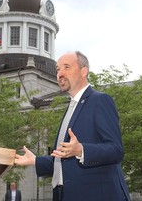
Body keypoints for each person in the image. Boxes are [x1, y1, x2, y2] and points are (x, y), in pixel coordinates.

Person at [15, 51, 131, 201]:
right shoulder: (71, 108)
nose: (60, 74)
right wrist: (35, 161)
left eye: (66, 67)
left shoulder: (100, 100)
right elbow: (64, 160)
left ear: (84, 71)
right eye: (57, 69)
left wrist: (82, 150)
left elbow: (116, 150)